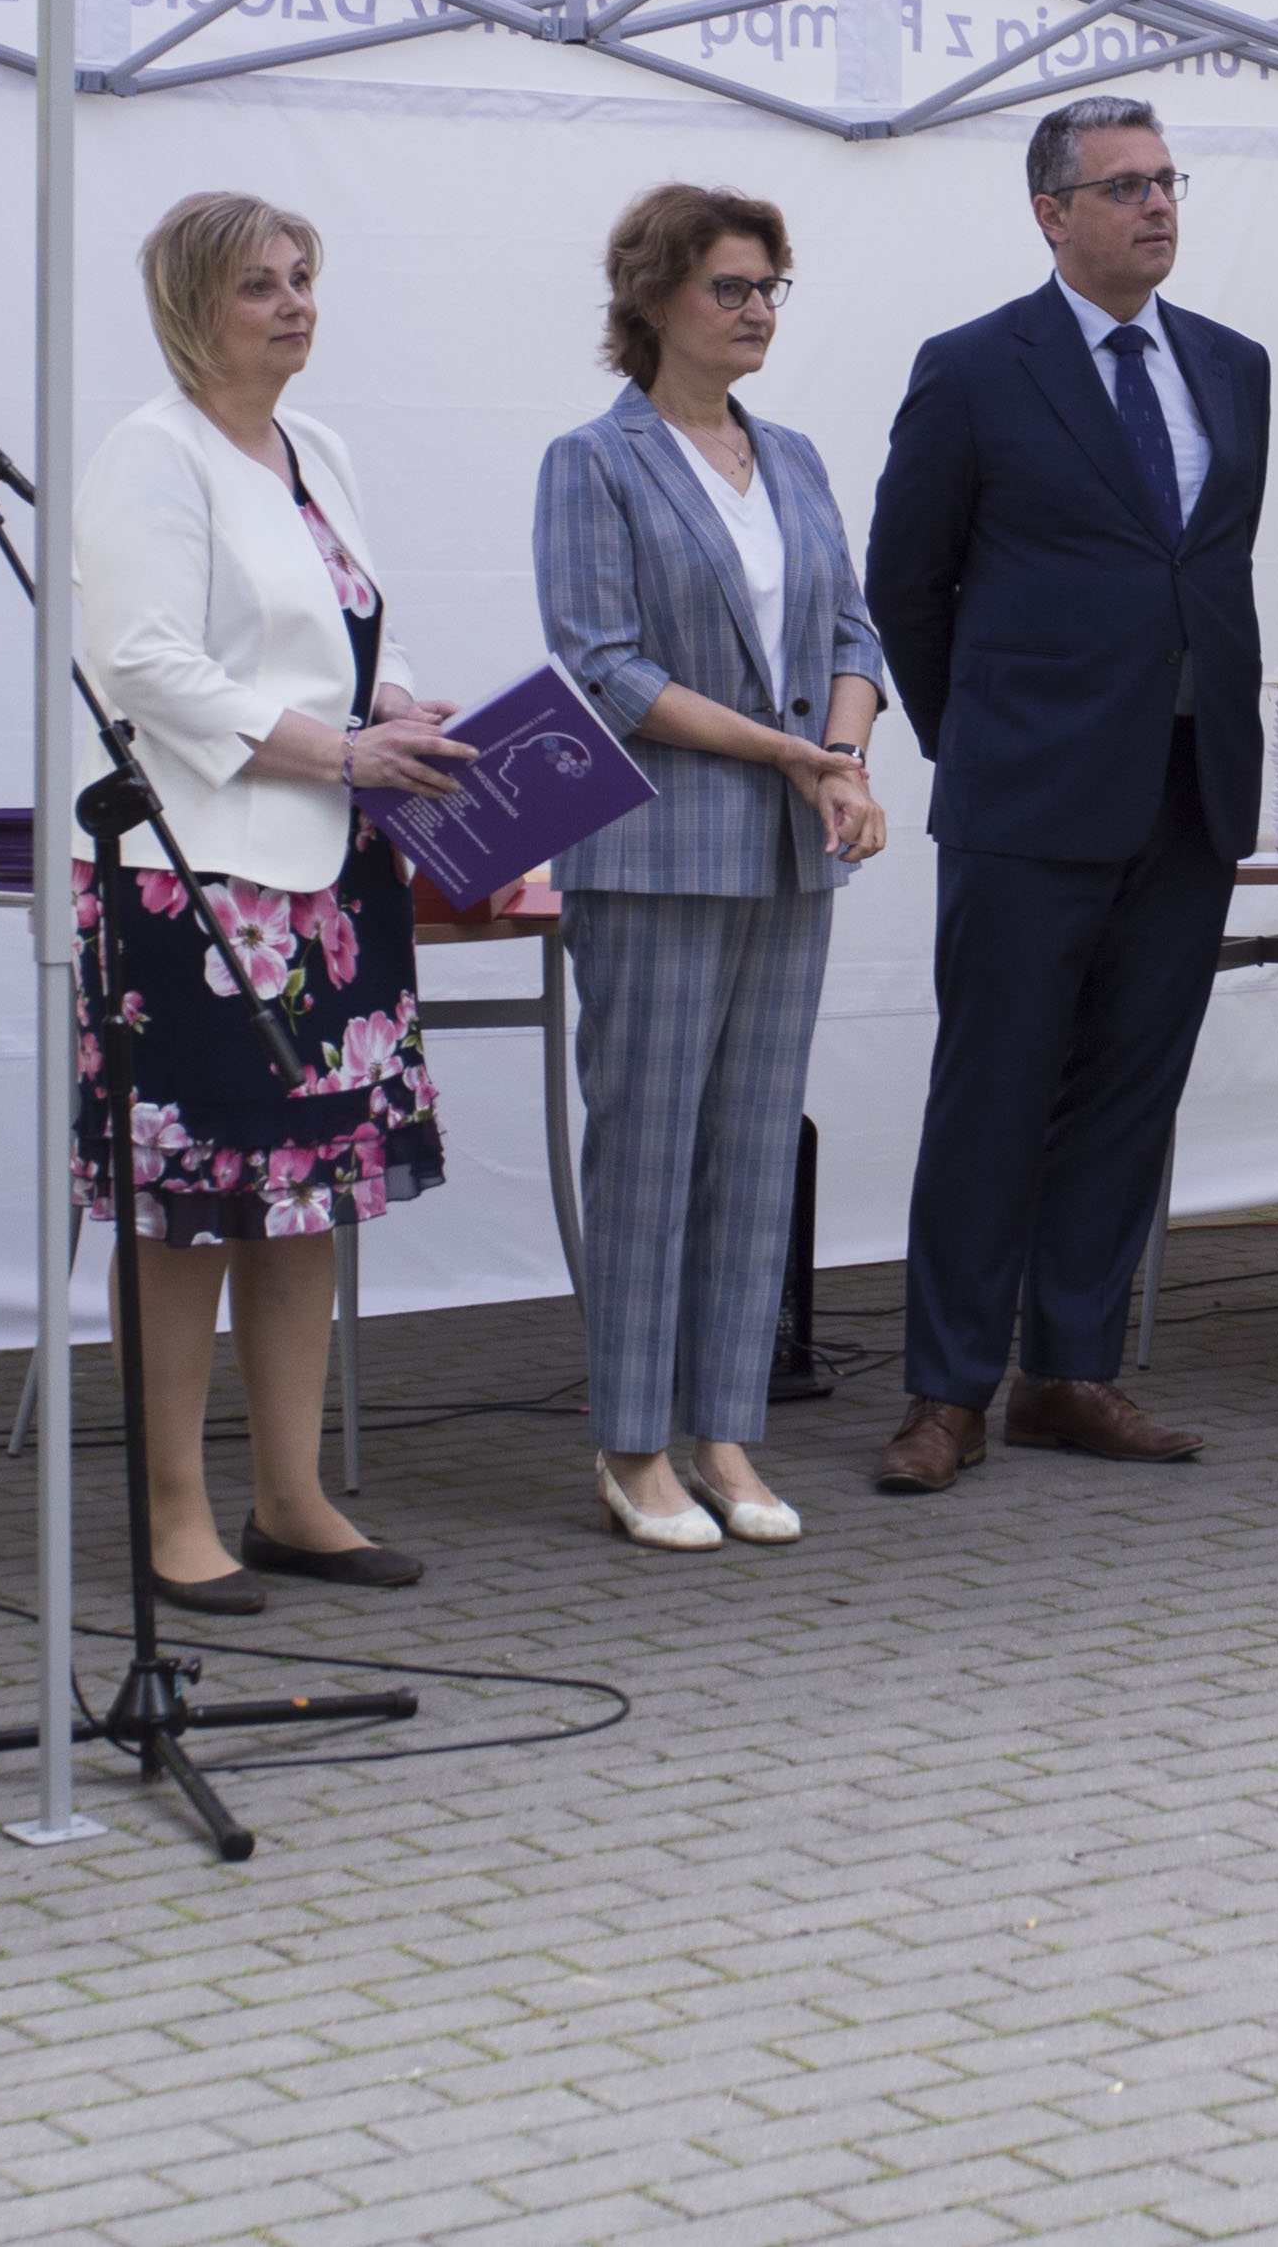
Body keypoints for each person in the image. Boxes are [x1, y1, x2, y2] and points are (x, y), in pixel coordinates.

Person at [859, 95, 1269, 1494]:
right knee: (993, 1091)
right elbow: (905, 582)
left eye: (1168, 181)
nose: (1157, 205)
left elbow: (1202, 569)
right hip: (1027, 792)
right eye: (1125, 185)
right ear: (1052, 212)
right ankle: (946, 1389)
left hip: (1188, 786)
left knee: (1128, 1091)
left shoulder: (1232, 365)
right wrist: (975, 739)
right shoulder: (976, 367)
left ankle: (1069, 1371)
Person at [72, 190, 473, 1607]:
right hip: (196, 886)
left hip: (331, 873)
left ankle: (292, 1495)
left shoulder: (318, 448)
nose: (295, 302)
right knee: (189, 1206)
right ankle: (175, 1511)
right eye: (260, 283)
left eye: (303, 276)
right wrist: (341, 749)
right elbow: (144, 667)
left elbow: (353, 631)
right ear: (193, 306)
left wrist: (400, 706)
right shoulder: (153, 450)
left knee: (304, 1197)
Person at [532, 185, 892, 1552]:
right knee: (648, 1151)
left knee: (752, 1151)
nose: (756, 310)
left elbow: (853, 632)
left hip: (792, 849)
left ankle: (727, 1432)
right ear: (653, 297)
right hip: (654, 848)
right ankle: (633, 1445)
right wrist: (792, 752)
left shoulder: (791, 454)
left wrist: (842, 757)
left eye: (768, 287)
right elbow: (607, 667)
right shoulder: (595, 460)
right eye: (729, 286)